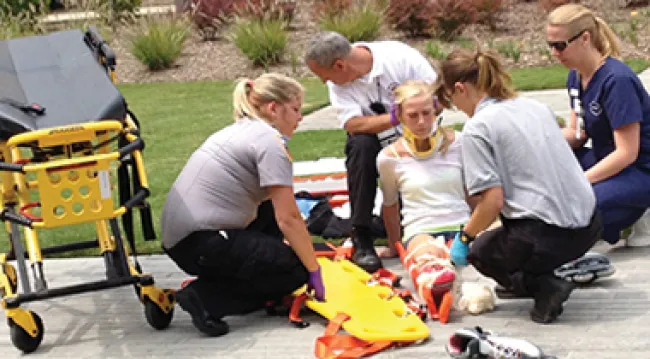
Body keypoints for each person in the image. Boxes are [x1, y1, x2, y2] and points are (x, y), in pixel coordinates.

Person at [439, 48, 602, 324]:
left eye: (451, 99)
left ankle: (544, 287)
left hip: (550, 235)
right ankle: (528, 276)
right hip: (591, 222)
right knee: (512, 237)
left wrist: (464, 239)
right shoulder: (535, 107)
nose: (456, 107)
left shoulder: (478, 128)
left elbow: (492, 201)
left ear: (459, 88)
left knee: (483, 253)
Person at [160, 73, 325, 337]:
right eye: (295, 109)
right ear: (273, 108)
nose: (300, 117)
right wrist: (313, 270)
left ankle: (238, 281)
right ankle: (205, 299)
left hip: (184, 240)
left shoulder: (239, 130)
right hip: (203, 243)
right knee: (294, 272)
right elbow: (289, 218)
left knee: (271, 214)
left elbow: (275, 209)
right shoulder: (269, 143)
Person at [304, 31, 440, 273]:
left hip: (417, 131)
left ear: (339, 65)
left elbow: (437, 99)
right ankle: (361, 236)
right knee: (360, 145)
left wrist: (412, 119)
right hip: (374, 138)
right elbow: (352, 124)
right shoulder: (339, 84)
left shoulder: (400, 57)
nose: (325, 82)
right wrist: (396, 118)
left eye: (323, 75)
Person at [547, 3, 650, 247]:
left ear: (584, 38)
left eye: (560, 45)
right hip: (607, 158)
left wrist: (580, 182)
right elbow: (577, 133)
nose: (554, 53)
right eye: (550, 45)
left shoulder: (617, 81)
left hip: (640, 167)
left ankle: (636, 214)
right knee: (548, 177)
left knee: (581, 203)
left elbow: (627, 153)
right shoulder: (575, 76)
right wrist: (541, 143)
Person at [376, 80, 470, 301]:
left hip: (463, 226)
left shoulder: (459, 143)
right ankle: (435, 281)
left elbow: (472, 191)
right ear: (399, 116)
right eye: (412, 115)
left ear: (436, 110)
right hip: (420, 229)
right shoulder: (389, 158)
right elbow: (390, 204)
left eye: (427, 113)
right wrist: (393, 246)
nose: (421, 122)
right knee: (428, 258)